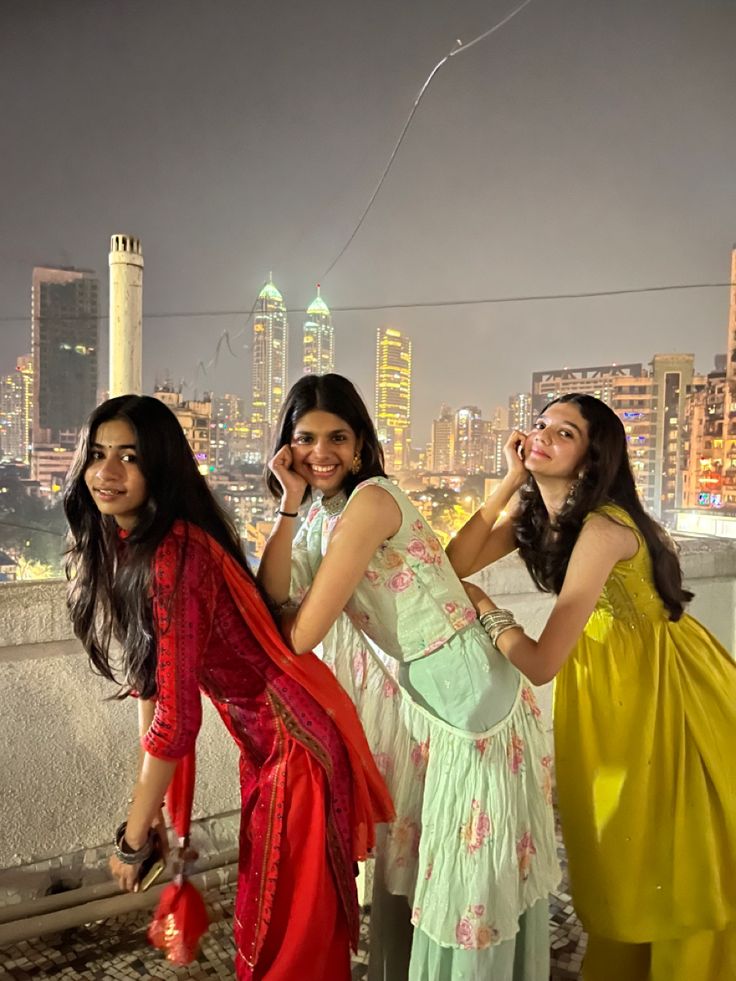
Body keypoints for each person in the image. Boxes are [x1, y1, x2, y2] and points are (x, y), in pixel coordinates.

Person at [63, 394, 393, 981]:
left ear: (159, 466)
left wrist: (133, 836)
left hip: (296, 746)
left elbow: (179, 717)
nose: (106, 473)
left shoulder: (175, 554)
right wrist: (158, 807)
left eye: (129, 457)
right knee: (274, 908)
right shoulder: (132, 543)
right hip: (269, 743)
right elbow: (154, 681)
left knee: (287, 927)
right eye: (97, 453)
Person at [258, 373, 559, 981]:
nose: (321, 453)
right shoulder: (318, 511)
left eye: (337, 437)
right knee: (431, 867)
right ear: (285, 448)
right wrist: (289, 504)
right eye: (305, 438)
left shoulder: (370, 501)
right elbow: (274, 598)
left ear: (362, 445)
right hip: (423, 698)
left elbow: (297, 632)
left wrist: (296, 607)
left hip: (471, 699)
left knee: (467, 878)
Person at [447, 392, 736, 981]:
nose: (543, 436)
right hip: (606, 684)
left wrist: (486, 611)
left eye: (566, 432)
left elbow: (541, 661)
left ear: (591, 456)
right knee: (611, 838)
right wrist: (506, 481)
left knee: (655, 837)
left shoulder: (603, 528)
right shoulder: (539, 519)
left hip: (660, 687)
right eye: (541, 424)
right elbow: (452, 564)